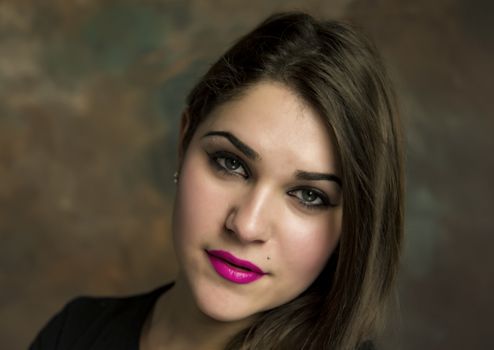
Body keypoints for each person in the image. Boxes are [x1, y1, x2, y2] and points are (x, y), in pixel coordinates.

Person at [30, 11, 403, 350]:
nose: (246, 225)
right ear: (184, 142)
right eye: (231, 163)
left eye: (308, 195)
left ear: (353, 225)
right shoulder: (75, 333)